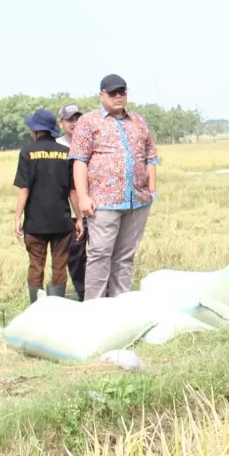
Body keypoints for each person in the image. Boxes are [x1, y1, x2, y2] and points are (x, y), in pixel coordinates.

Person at [69, 74, 160, 299]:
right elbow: (80, 160)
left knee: (125, 257)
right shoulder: (88, 121)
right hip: (103, 201)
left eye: (122, 92)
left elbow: (151, 156)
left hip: (137, 201)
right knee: (100, 254)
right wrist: (83, 197)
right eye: (112, 93)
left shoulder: (138, 121)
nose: (118, 96)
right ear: (102, 95)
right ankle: (94, 306)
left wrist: (151, 190)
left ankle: (121, 305)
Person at [13, 108, 78, 303]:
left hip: (35, 222)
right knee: (59, 266)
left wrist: (17, 216)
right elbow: (72, 190)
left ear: (35, 130)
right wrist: (80, 218)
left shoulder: (27, 152)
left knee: (36, 265)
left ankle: (36, 307)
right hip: (62, 221)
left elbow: (24, 188)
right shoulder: (66, 153)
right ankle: (57, 305)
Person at [55, 104, 87, 299]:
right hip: (70, 210)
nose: (75, 123)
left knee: (100, 252)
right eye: (70, 120)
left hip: (94, 205)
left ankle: (104, 292)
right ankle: (83, 292)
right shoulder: (57, 147)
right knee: (76, 253)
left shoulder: (89, 142)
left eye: (78, 119)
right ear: (61, 123)